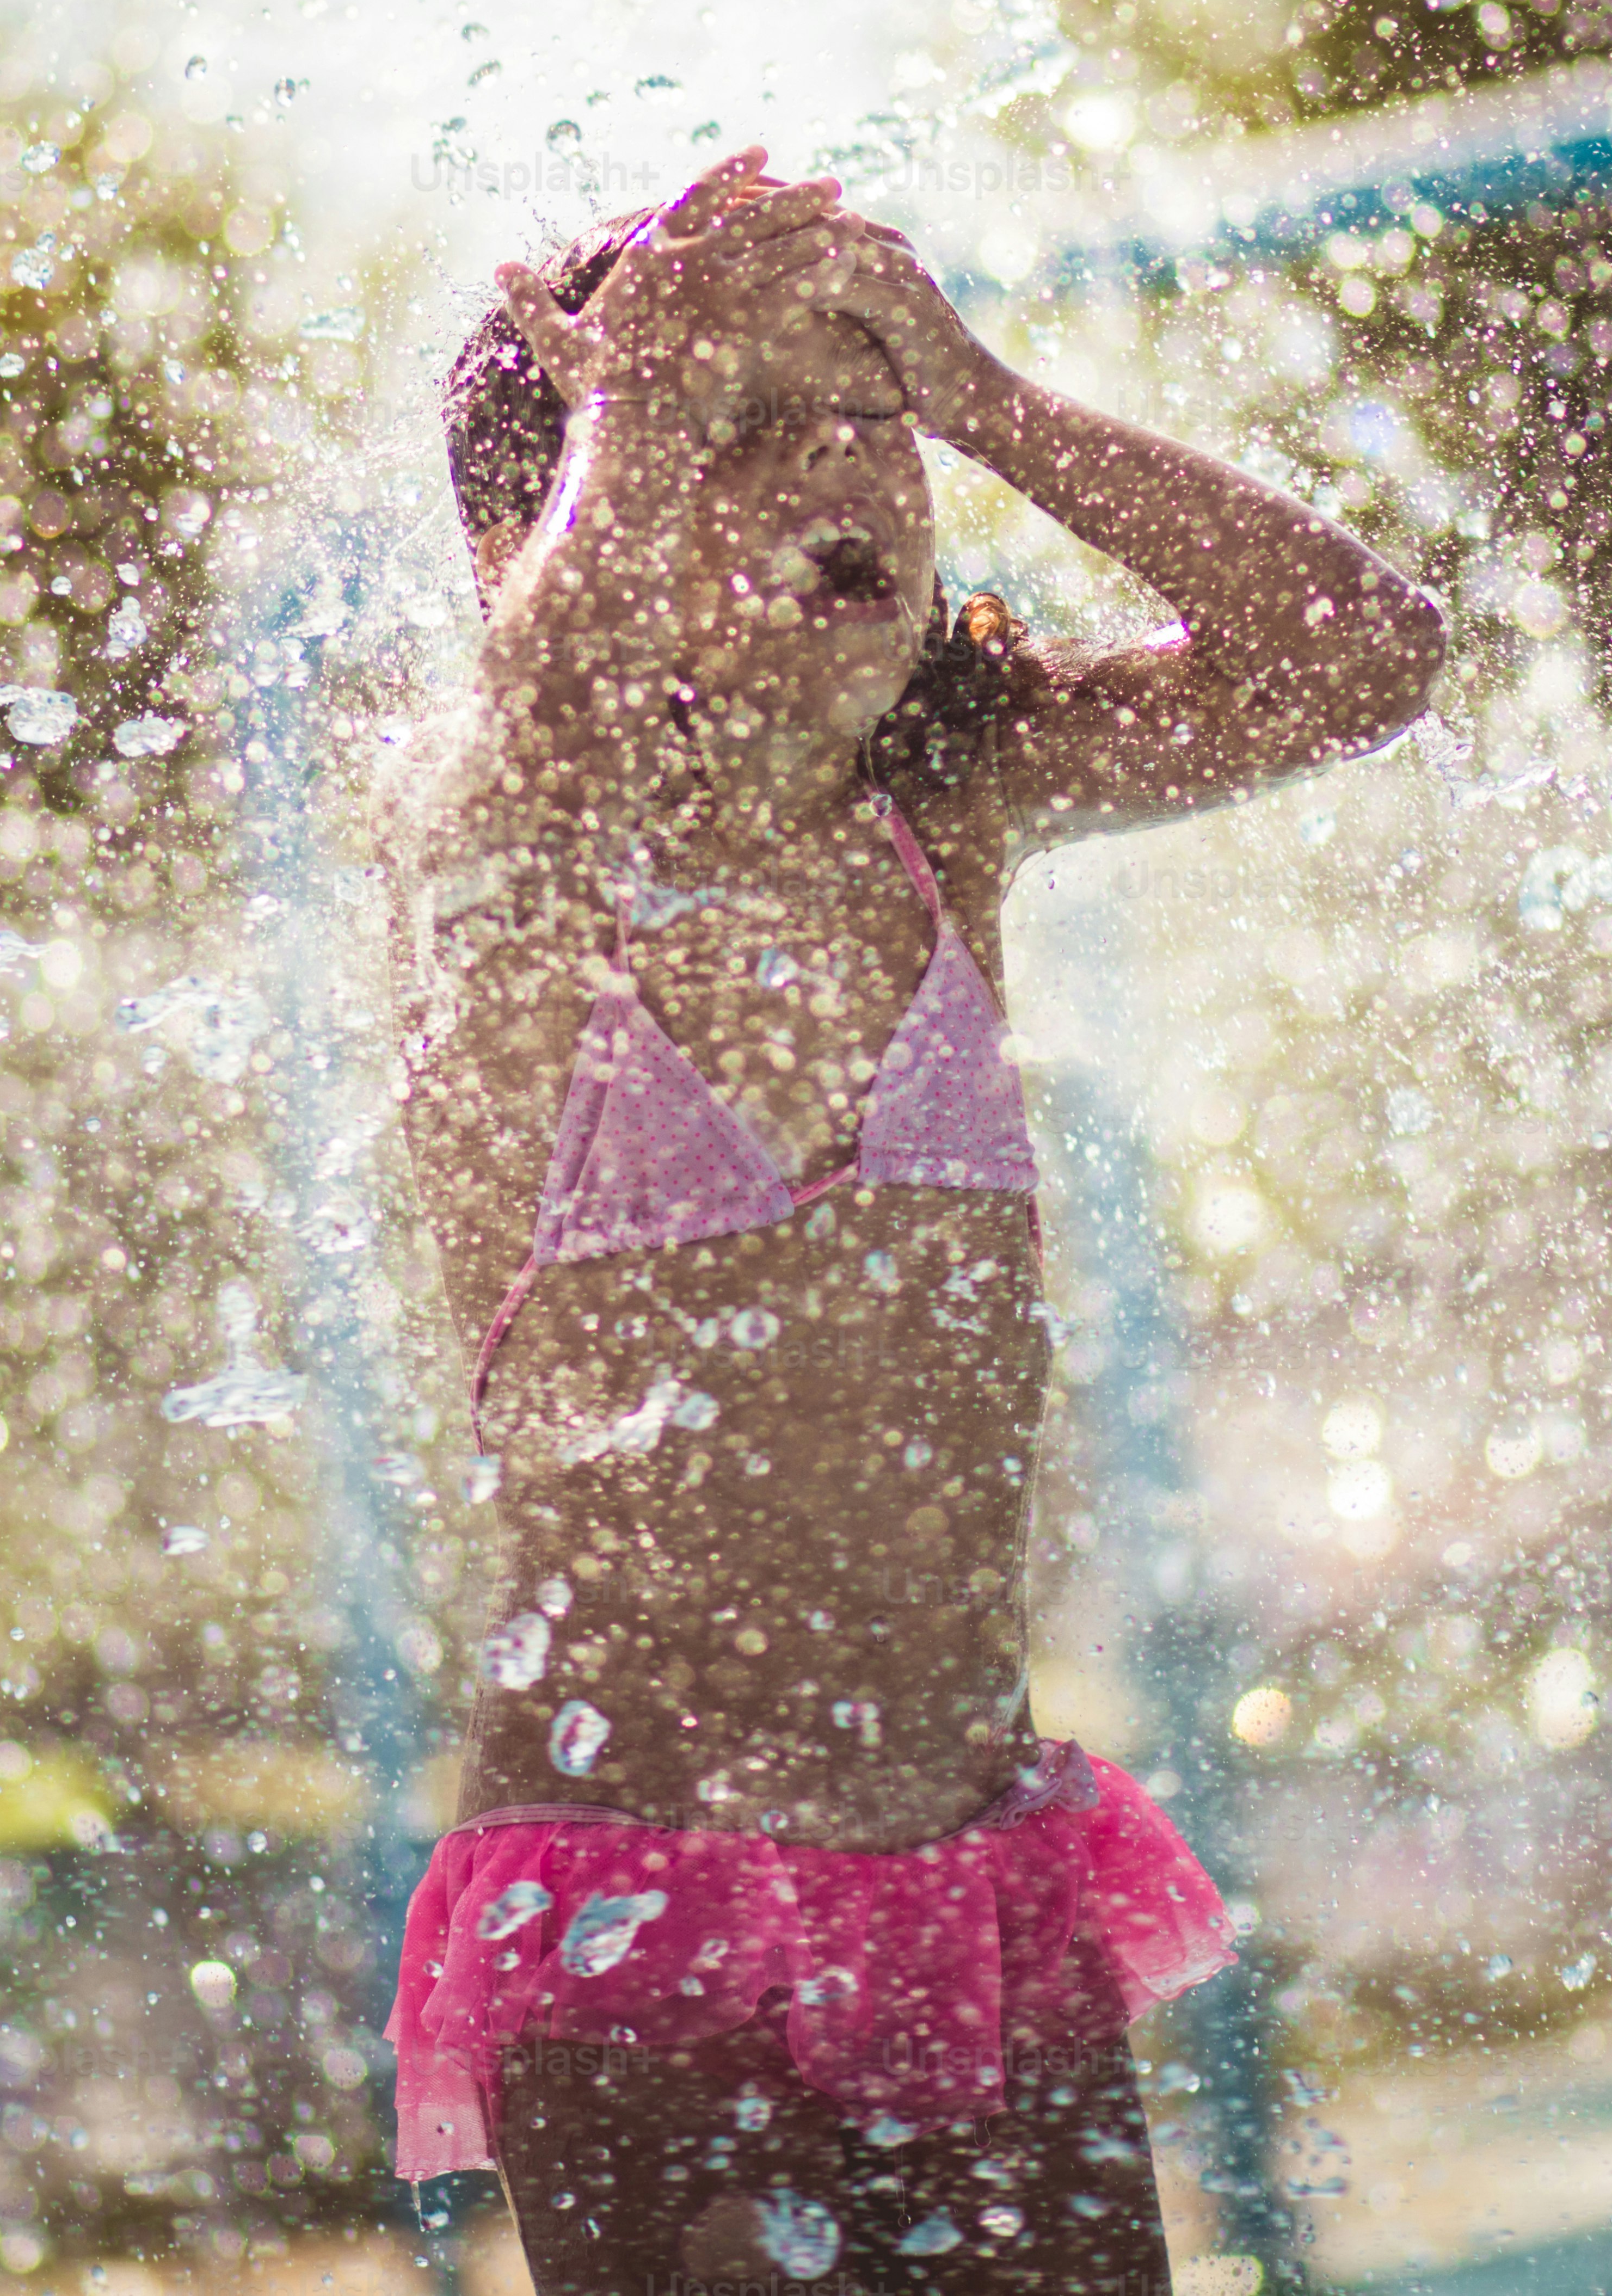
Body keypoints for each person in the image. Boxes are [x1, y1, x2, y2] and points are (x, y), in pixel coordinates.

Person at [387, 147, 1446, 2289]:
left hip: (975, 1873)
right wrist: (646, 382)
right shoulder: (509, 845)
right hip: (641, 1903)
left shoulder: (951, 795)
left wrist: (978, 386)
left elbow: (1360, 649)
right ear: (544, 525)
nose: (835, 470)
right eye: (739, 426)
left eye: (861, 415)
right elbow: (553, 701)